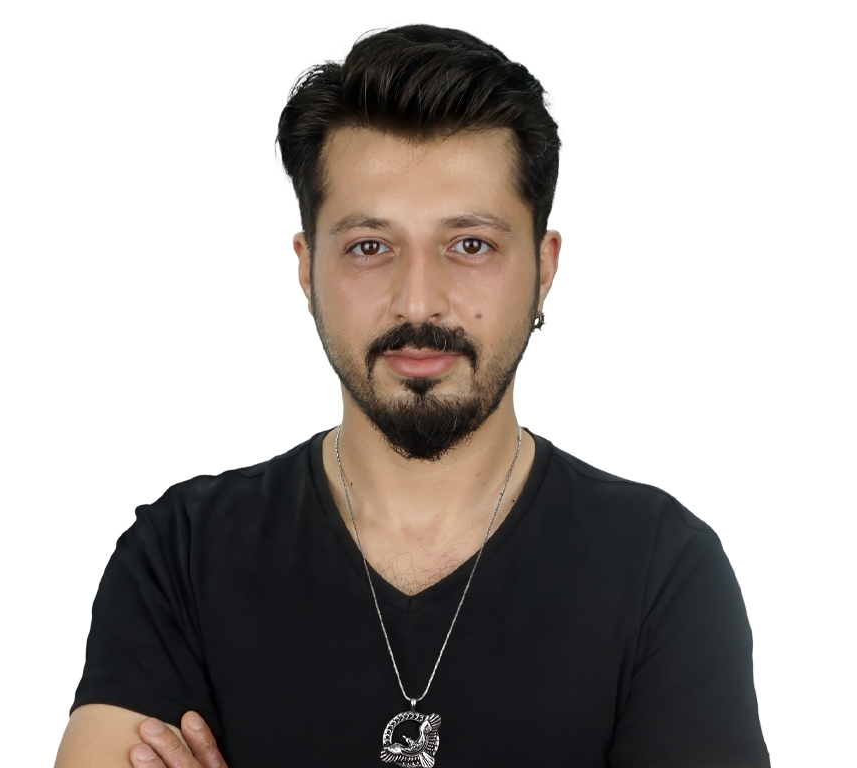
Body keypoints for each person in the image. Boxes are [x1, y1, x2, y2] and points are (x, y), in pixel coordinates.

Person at [53, 22, 770, 768]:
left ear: (544, 268)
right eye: (370, 247)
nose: (419, 301)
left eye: (470, 245)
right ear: (307, 268)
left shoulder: (662, 570)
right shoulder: (179, 555)